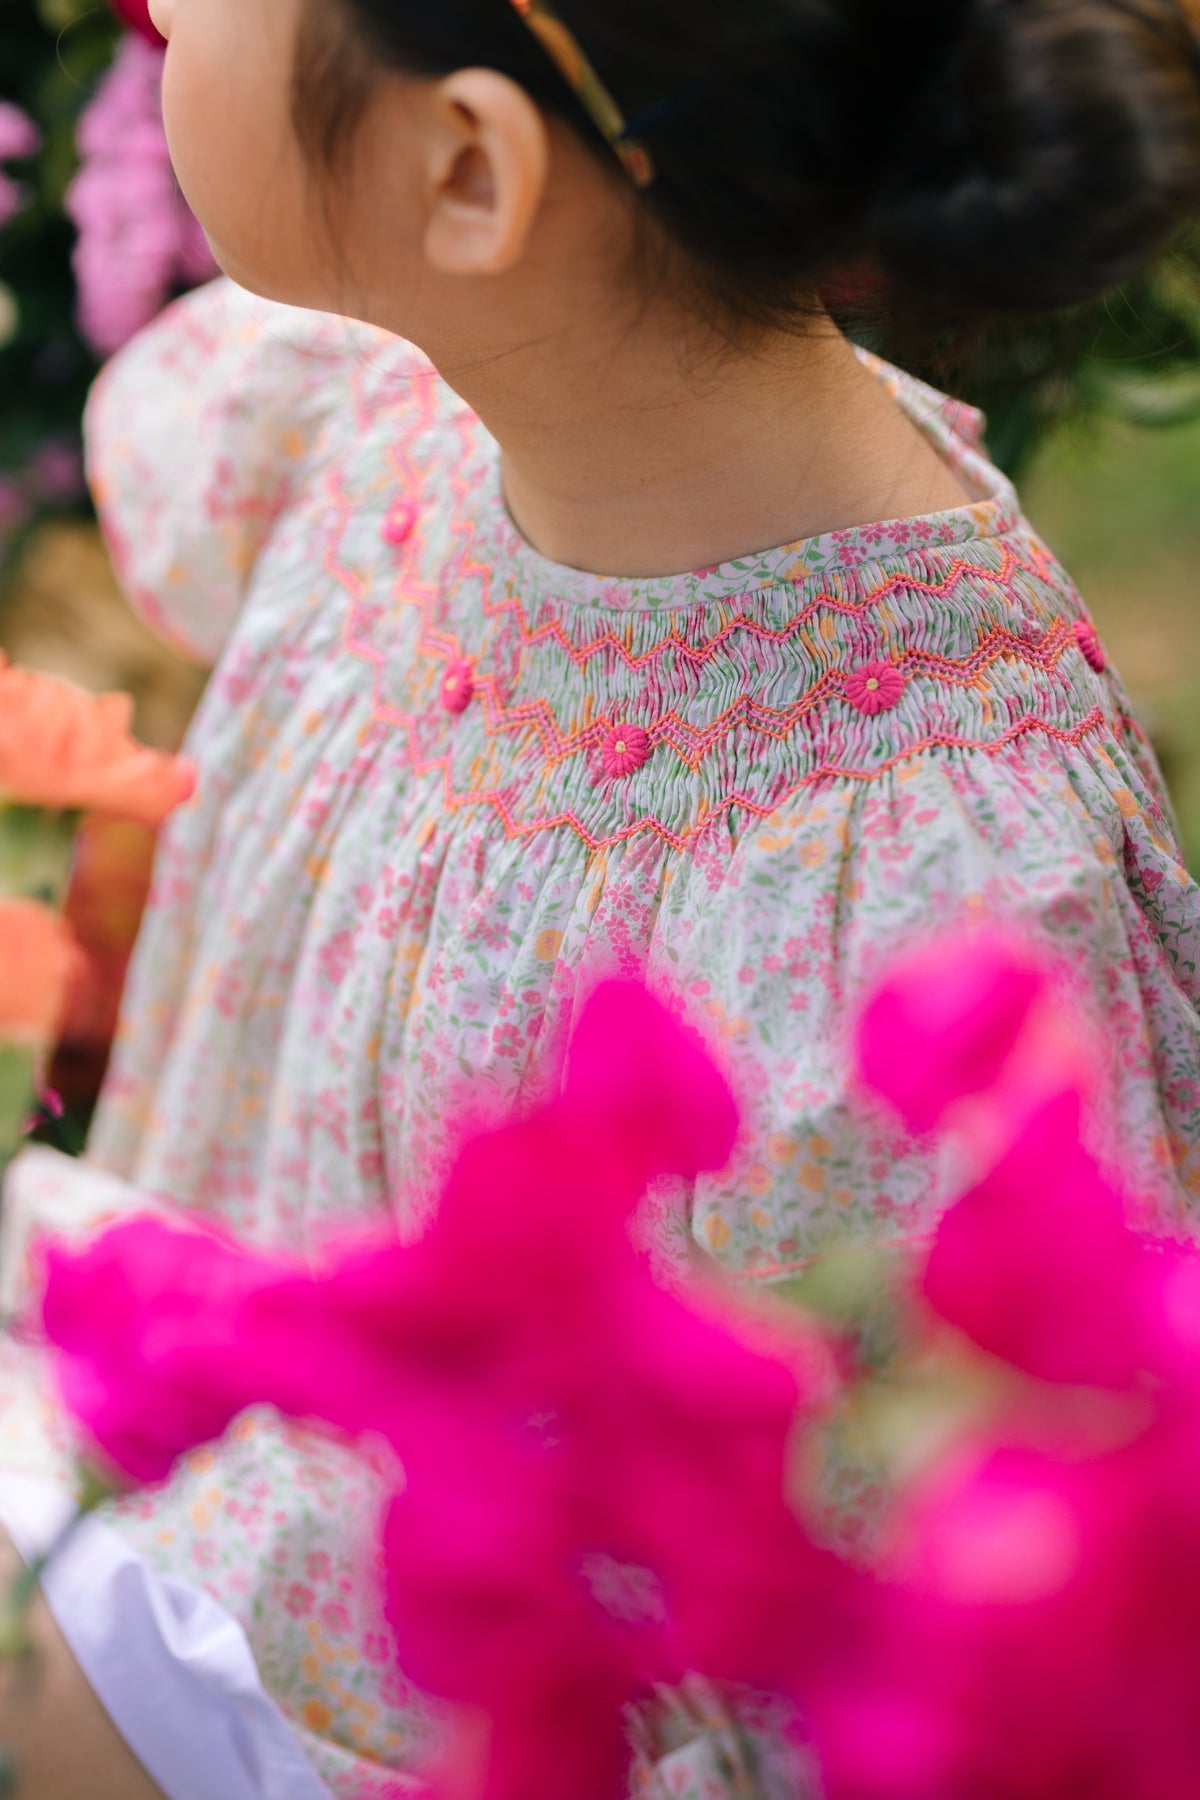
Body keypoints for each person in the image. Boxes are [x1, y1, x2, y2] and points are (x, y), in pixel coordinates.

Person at [4, 0, 1200, 1793]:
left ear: (467, 170)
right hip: (184, 1425)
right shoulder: (388, 422)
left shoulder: (930, 895)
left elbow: (934, 1665)